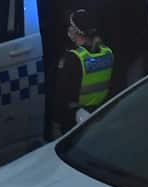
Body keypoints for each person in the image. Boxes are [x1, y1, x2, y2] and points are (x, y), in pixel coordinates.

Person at [48, 8, 115, 139]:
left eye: (71, 26)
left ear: (76, 31)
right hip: (100, 114)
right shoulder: (108, 53)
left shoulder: (73, 59)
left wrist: (55, 125)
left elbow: (61, 96)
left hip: (74, 120)